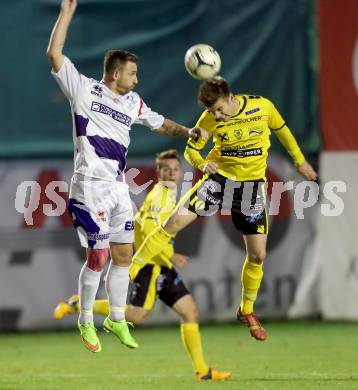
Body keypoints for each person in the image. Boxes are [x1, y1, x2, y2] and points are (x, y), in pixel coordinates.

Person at [47, 0, 205, 354]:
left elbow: (160, 122)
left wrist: (188, 132)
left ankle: (117, 319)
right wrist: (67, 13)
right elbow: (55, 54)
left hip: (118, 188)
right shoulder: (84, 90)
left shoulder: (133, 102)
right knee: (98, 258)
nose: (137, 79)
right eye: (133, 73)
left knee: (122, 256)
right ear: (115, 74)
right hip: (88, 187)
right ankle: (85, 318)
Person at [131, 77, 318, 341]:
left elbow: (283, 131)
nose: (216, 116)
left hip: (251, 188)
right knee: (172, 223)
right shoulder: (208, 119)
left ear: (231, 98)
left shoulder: (262, 107)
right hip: (219, 182)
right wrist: (202, 164)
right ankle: (133, 265)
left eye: (218, 109)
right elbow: (191, 150)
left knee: (258, 256)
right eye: (211, 112)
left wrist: (300, 162)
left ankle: (247, 309)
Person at [54, 149, 230, 381]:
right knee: (138, 317)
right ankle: (78, 304)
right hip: (150, 263)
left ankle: (202, 371)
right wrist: (169, 254)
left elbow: (143, 224)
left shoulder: (167, 192)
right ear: (158, 172)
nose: (172, 173)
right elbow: (149, 230)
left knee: (190, 311)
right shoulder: (161, 194)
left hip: (159, 262)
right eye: (166, 169)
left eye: (176, 169)